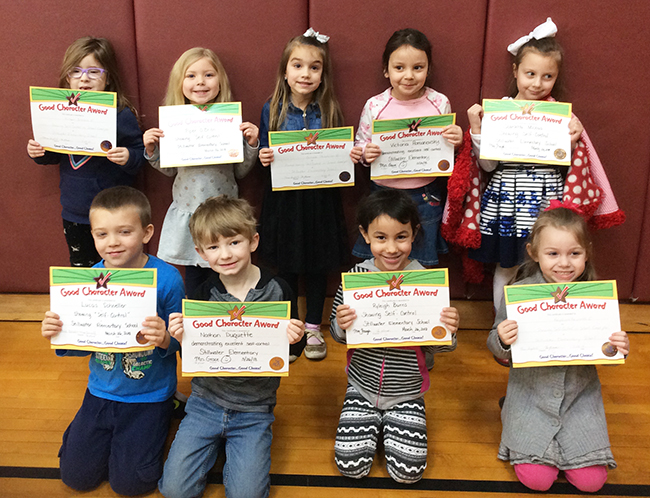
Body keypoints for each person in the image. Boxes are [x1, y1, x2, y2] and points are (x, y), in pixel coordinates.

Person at [450, 18, 624, 306]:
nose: (537, 83)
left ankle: (542, 325)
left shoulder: (562, 116)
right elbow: (488, 167)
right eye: (530, 73)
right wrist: (478, 131)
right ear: (516, 71)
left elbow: (571, 168)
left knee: (549, 265)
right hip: (505, 201)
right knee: (506, 267)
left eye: (547, 76)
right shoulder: (498, 112)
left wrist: (568, 144)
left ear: (556, 77)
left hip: (547, 200)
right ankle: (502, 327)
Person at [40, 186, 185, 495]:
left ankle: (168, 411)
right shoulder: (87, 281)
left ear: (146, 232)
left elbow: (185, 341)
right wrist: (58, 332)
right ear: (92, 235)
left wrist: (166, 339)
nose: (113, 243)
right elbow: (74, 346)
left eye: (124, 232)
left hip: (150, 394)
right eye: (102, 234)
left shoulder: (169, 278)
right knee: (76, 478)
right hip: (101, 390)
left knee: (131, 485)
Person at [158, 196, 305, 498]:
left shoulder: (279, 290)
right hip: (204, 403)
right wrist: (181, 337)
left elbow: (290, 354)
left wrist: (295, 338)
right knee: (174, 491)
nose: (225, 254)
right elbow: (194, 357)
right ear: (200, 253)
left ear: (253, 241)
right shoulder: (201, 296)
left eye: (234, 242)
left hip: (254, 409)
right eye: (213, 247)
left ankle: (235, 450)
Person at [487, 205, 629, 492]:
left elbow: (606, 348)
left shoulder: (596, 296)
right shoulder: (518, 295)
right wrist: (501, 338)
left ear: (586, 253)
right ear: (533, 252)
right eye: (553, 253)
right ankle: (509, 411)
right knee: (538, 480)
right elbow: (496, 348)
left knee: (592, 482)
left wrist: (618, 347)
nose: (564, 263)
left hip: (580, 398)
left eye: (574, 253)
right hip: (530, 397)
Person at [330, 189, 460, 483]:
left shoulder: (427, 282)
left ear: (414, 234)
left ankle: (390, 421)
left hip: (407, 391)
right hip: (361, 386)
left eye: (401, 237)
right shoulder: (356, 280)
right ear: (365, 235)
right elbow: (337, 335)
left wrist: (449, 331)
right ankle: (372, 421)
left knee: (408, 473)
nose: (391, 248)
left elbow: (441, 346)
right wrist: (341, 323)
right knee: (350, 467)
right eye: (381, 238)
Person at [258, 28, 349, 361]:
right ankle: (290, 328)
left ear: (323, 75)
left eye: (314, 67)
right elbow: (266, 153)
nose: (305, 74)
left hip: (320, 203)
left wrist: (348, 156)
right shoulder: (273, 109)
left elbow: (338, 157)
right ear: (285, 71)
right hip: (285, 203)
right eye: (297, 66)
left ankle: (312, 327)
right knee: (285, 268)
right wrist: (264, 155)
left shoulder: (330, 109)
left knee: (316, 266)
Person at [143, 47, 259, 296]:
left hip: (225, 215)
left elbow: (240, 172)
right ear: (180, 82)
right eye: (191, 76)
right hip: (190, 212)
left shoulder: (229, 122)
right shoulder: (174, 122)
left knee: (230, 272)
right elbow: (169, 170)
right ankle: (198, 323)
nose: (200, 82)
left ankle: (229, 322)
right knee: (196, 275)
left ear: (220, 81)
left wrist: (250, 145)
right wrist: (152, 150)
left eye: (208, 75)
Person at [27, 37, 146, 268]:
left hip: (115, 213)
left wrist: (128, 157)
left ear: (108, 77)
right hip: (75, 212)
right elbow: (53, 153)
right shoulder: (57, 112)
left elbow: (141, 153)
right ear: (67, 78)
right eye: (76, 71)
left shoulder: (119, 113)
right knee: (83, 269)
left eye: (94, 71)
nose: (84, 78)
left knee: (122, 266)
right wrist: (38, 152)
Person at [350, 28, 463, 267]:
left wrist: (456, 140)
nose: (408, 76)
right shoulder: (375, 105)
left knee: (422, 259)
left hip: (426, 193)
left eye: (417, 68)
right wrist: (365, 154)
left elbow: (446, 152)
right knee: (383, 257)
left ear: (428, 69)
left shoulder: (439, 102)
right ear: (386, 69)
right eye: (399, 68)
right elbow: (360, 145)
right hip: (382, 194)